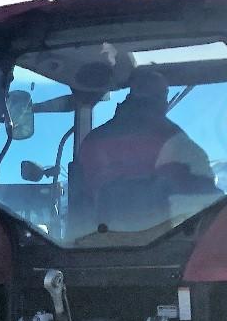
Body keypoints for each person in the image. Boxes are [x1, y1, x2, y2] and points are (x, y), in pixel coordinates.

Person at [74, 67, 217, 234]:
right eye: (164, 94)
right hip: (163, 242)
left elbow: (82, 198)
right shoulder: (174, 140)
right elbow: (204, 200)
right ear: (161, 98)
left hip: (100, 244)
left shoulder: (94, 140)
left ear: (132, 93)